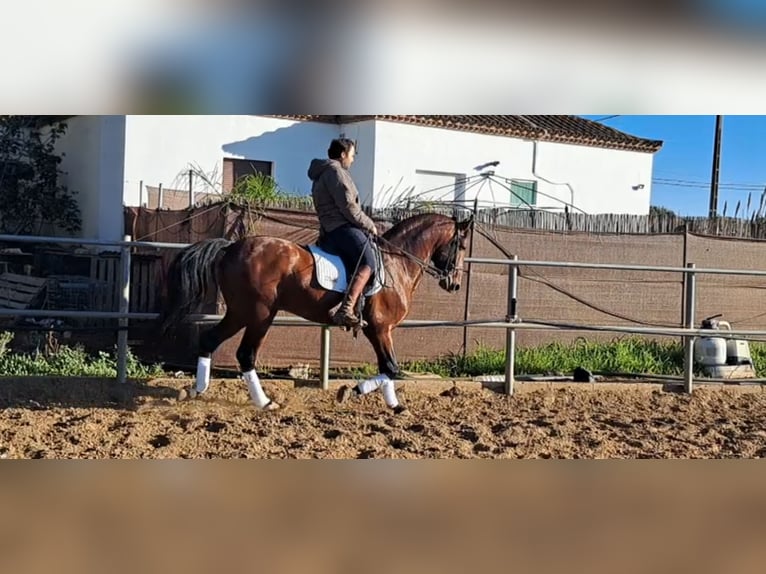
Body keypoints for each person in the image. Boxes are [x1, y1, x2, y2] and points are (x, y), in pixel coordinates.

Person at [308, 138, 378, 328]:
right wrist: (369, 224)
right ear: (343, 154)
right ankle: (346, 309)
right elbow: (348, 207)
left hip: (328, 230)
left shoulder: (321, 173)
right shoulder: (335, 172)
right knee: (368, 262)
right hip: (341, 228)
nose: (353, 160)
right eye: (352, 155)